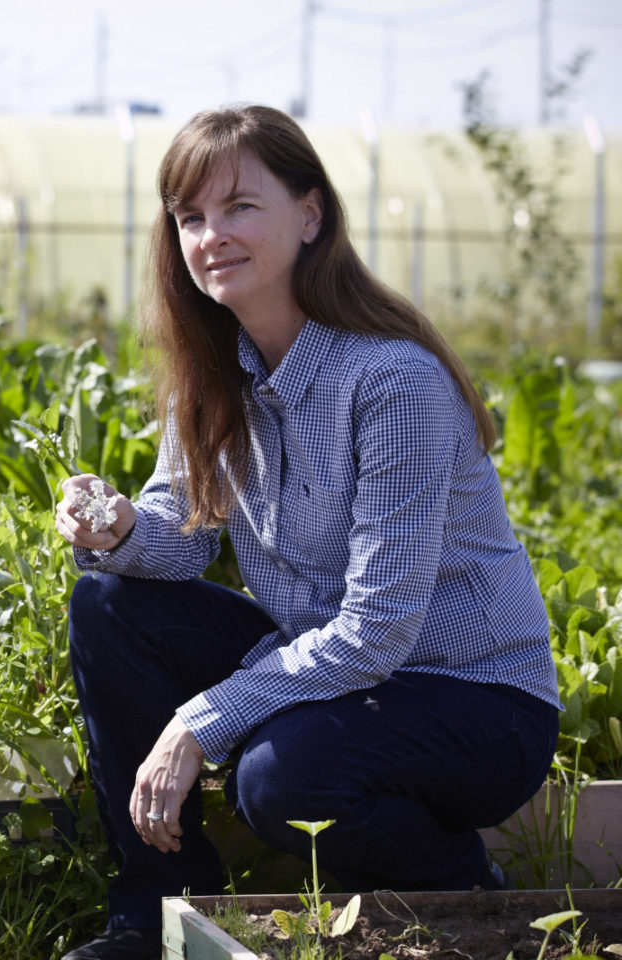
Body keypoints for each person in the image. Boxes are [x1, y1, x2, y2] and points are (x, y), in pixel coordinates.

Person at [54, 104, 560, 960]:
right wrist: (122, 529)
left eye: (240, 206)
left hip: (477, 703)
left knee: (284, 778)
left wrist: (199, 721)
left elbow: (377, 632)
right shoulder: (214, 371)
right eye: (190, 217)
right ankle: (155, 913)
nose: (211, 234)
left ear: (310, 214)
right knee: (109, 605)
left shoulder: (390, 380)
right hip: (335, 672)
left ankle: (473, 898)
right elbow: (182, 537)